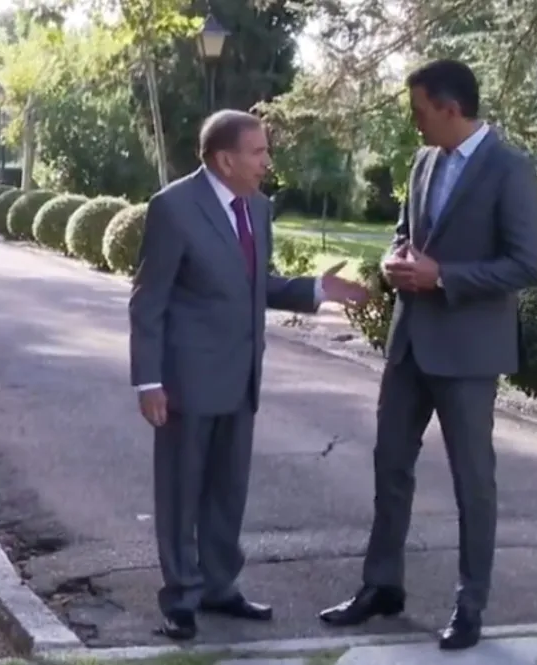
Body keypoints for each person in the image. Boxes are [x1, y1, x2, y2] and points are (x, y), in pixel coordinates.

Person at [317, 58, 537, 650]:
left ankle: (470, 604)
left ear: (451, 108)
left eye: (420, 111)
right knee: (390, 466)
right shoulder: (424, 161)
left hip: (469, 353)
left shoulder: (510, 168)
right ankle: (381, 586)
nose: (415, 122)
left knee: (473, 481)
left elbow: (526, 265)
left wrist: (443, 275)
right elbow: (407, 231)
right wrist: (396, 258)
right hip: (410, 342)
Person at [128, 109, 369, 641]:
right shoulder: (173, 207)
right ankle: (181, 599)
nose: (267, 162)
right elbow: (149, 300)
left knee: (228, 492)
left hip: (241, 378)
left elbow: (256, 283)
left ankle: (219, 587)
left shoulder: (257, 207)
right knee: (181, 493)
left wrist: (317, 290)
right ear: (225, 159)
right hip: (186, 381)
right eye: (258, 152)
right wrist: (149, 381)